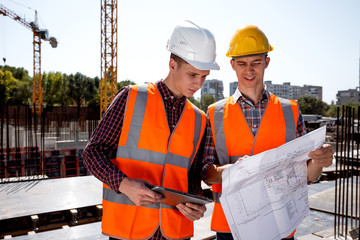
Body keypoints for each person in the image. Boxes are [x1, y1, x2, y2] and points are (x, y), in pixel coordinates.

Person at [82, 20, 219, 240]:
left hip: (176, 232)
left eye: (204, 76)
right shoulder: (131, 98)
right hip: (129, 230)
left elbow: (191, 178)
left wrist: (196, 205)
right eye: (193, 75)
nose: (198, 84)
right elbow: (92, 153)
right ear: (172, 64)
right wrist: (124, 185)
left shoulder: (199, 119)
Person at [202, 25, 334, 240]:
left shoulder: (290, 110)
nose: (249, 70)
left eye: (256, 62)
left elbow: (308, 176)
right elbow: (206, 174)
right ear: (232, 64)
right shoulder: (214, 113)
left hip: (280, 225)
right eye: (242, 63)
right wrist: (237, 170)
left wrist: (319, 161)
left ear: (267, 62)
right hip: (230, 227)